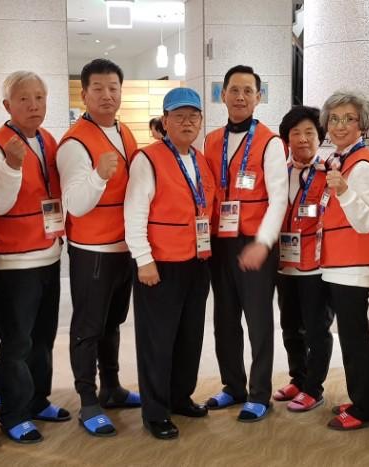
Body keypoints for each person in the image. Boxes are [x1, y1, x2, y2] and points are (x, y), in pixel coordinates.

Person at [0, 71, 69, 443]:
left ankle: (37, 400)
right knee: (17, 343)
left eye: (40, 98)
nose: (34, 105)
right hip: (15, 261)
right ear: (7, 105)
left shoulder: (47, 139)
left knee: (43, 338)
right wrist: (13, 166)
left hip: (48, 253)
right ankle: (13, 414)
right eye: (24, 99)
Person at [57, 58, 141, 437]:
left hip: (124, 248)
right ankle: (88, 400)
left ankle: (112, 387)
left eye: (113, 88)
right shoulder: (75, 143)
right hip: (93, 251)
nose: (107, 95)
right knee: (88, 327)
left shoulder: (124, 131)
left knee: (112, 323)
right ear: (84, 94)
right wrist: (98, 176)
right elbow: (75, 204)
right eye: (98, 88)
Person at [125, 88, 215, 440]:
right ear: (165, 121)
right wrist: (143, 259)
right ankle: (156, 411)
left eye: (193, 116)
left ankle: (180, 396)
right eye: (179, 116)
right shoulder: (148, 159)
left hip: (197, 261)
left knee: (189, 336)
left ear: (201, 121)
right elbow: (134, 212)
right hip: (160, 264)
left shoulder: (201, 160)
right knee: (158, 341)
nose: (187, 122)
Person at [202, 65, 288, 423]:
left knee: (258, 321)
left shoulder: (270, 142)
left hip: (255, 243)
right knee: (224, 319)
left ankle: (259, 393)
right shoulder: (211, 140)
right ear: (222, 95)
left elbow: (279, 198)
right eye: (234, 90)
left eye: (248, 91)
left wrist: (264, 243)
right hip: (220, 243)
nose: (240, 97)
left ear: (258, 97)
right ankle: (233, 385)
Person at [318, 91, 369, 431]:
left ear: (362, 124)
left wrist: (344, 190)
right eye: (334, 118)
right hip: (339, 264)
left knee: (355, 338)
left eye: (349, 118)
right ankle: (362, 397)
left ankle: (367, 407)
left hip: (354, 266)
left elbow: (368, 220)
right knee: (350, 337)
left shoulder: (362, 165)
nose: (340, 125)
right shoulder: (340, 160)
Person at [271, 106, 333, 413]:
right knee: (289, 327)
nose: (303, 139)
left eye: (309, 132)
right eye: (296, 133)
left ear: (319, 137)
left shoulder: (330, 173)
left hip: (317, 267)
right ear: (287, 139)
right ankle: (298, 377)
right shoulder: (278, 174)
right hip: (285, 265)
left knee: (317, 330)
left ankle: (313, 388)